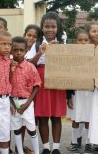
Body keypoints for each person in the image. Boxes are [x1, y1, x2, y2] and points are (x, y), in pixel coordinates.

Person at [26, 11, 66, 154]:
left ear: (58, 28)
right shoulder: (36, 45)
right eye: (47, 26)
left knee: (56, 116)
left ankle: (55, 147)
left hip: (57, 81)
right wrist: (40, 52)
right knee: (43, 116)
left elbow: (70, 65)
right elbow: (29, 65)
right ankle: (45, 147)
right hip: (41, 82)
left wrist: (58, 50)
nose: (50, 29)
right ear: (42, 28)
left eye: (53, 26)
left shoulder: (63, 43)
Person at [9, 36, 42, 154]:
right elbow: (6, 85)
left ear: (26, 50)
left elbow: (37, 85)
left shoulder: (30, 67)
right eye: (15, 50)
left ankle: (37, 151)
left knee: (31, 129)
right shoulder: (8, 66)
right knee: (16, 129)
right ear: (11, 50)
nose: (18, 53)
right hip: (13, 102)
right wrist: (12, 103)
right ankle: (20, 151)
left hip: (27, 102)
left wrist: (28, 103)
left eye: (21, 50)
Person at [66, 30, 94, 153]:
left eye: (85, 40)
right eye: (80, 40)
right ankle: (74, 141)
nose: (83, 42)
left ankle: (89, 142)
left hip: (90, 93)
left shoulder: (94, 56)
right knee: (76, 119)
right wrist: (68, 97)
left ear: (89, 41)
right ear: (75, 41)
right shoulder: (71, 58)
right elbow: (67, 78)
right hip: (76, 93)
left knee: (88, 118)